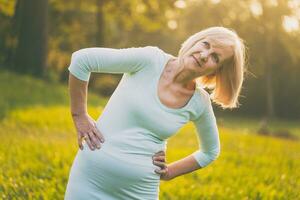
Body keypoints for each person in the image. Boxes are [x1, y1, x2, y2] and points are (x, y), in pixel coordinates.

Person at [64, 26, 246, 200]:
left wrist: (170, 172)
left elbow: (210, 151)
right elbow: (82, 60)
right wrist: (79, 115)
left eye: (215, 57)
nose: (204, 55)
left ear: (217, 71)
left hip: (140, 190)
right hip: (90, 180)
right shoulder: (150, 60)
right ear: (196, 41)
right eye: (206, 44)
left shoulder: (199, 103)